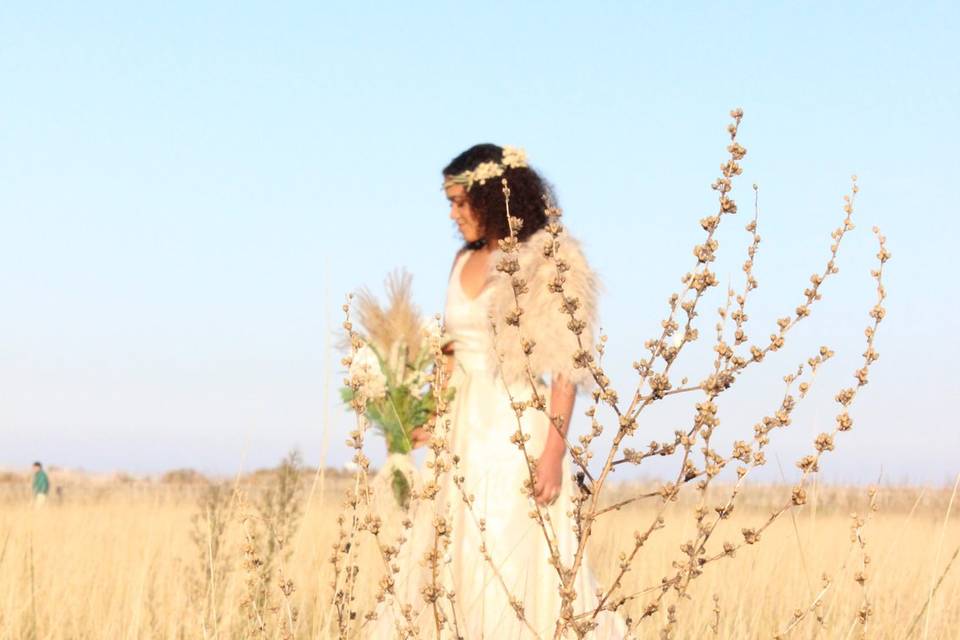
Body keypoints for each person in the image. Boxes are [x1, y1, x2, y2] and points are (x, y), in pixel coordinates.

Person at [372, 145, 625, 638]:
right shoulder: (459, 260)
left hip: (516, 433)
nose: (452, 213)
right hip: (460, 437)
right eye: (448, 202)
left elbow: (565, 367)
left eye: (460, 201)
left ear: (489, 196)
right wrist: (424, 416)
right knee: (447, 557)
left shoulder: (545, 257)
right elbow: (449, 354)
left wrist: (553, 453)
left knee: (508, 558)